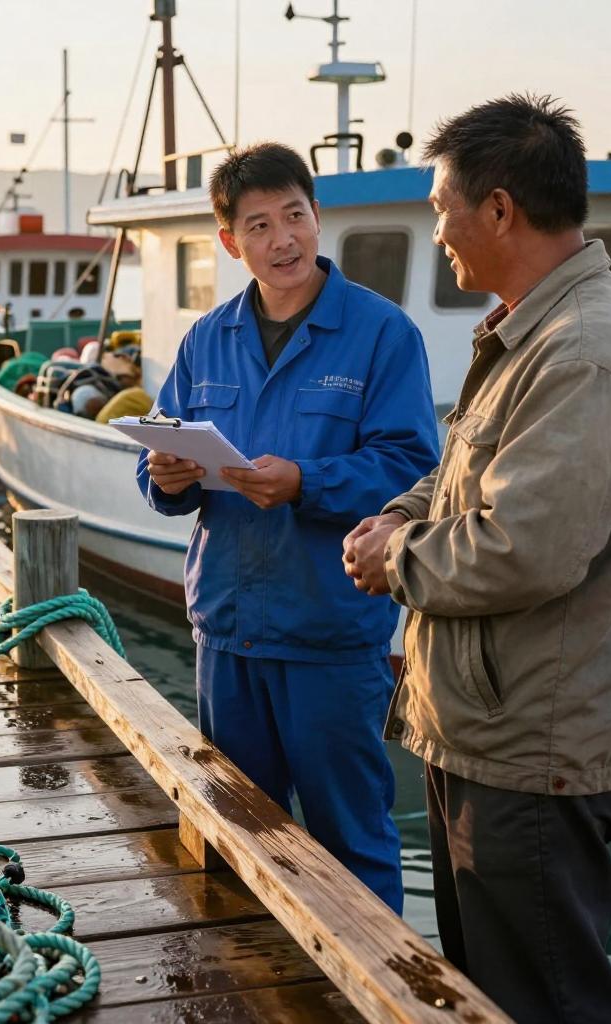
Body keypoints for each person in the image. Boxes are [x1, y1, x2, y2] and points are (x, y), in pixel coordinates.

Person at [343, 95, 611, 1023]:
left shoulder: (587, 354)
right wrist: (396, 516)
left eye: (443, 206)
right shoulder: (531, 329)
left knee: (544, 1001)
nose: (439, 230)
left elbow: (521, 549)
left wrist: (395, 561)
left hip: (534, 750)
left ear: (498, 209)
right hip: (495, 731)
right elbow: (464, 478)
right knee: (490, 992)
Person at [137, 142, 439, 912]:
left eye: (296, 216)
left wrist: (306, 482)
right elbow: (160, 464)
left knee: (353, 842)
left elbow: (411, 467)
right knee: (236, 834)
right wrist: (165, 476)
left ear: (317, 216)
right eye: (260, 225)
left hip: (330, 637)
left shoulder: (383, 334)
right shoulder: (206, 337)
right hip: (226, 636)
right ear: (231, 242)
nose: (284, 240)